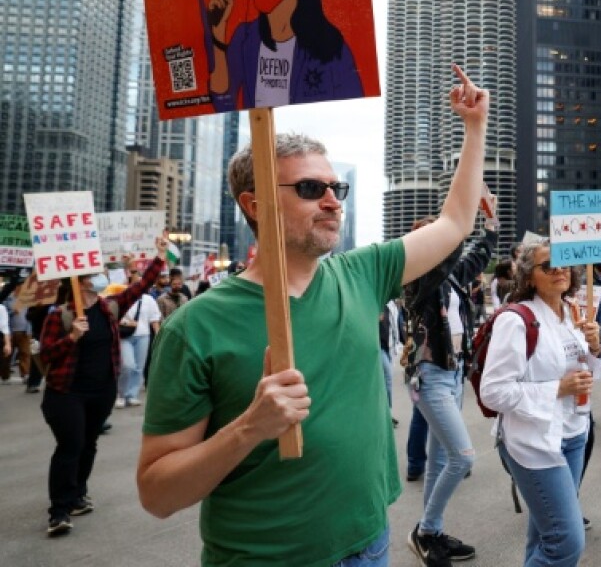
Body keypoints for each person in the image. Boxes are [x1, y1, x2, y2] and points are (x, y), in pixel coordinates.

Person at [136, 65, 488, 567]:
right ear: (254, 204)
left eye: (337, 188)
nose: (331, 201)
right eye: (308, 189)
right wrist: (249, 427)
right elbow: (156, 492)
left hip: (371, 541)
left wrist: (474, 129)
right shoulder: (195, 326)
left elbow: (455, 221)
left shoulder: (362, 273)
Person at [479, 241, 601, 567]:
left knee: (545, 535)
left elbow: (588, 375)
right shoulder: (517, 321)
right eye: (548, 266)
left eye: (564, 263)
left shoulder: (573, 314)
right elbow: (492, 392)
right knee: (565, 542)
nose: (560, 270)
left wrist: (595, 349)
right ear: (529, 277)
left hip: (575, 434)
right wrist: (556, 389)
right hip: (533, 443)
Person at [38, 237, 167, 536]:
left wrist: (159, 256)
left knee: (89, 443)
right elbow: (44, 355)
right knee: (70, 446)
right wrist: (71, 337)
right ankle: (59, 510)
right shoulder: (61, 315)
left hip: (102, 390)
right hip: (66, 392)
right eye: (95, 274)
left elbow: (140, 287)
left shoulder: (110, 308)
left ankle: (78, 494)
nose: (103, 277)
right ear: (81, 282)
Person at [403, 208, 499, 566]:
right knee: (462, 457)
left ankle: (432, 533)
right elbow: (455, 253)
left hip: (453, 372)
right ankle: (425, 530)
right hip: (429, 375)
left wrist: (491, 223)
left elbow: (478, 255)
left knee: (440, 458)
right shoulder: (418, 276)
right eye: (432, 238)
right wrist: (453, 230)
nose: (439, 245)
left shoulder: (451, 278)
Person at [207, 0, 363, 112]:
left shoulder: (331, 46)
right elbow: (223, 101)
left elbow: (352, 106)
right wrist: (219, 32)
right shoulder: (246, 37)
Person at [116, 276, 161, 409]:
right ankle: (121, 395)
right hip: (125, 336)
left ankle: (132, 395)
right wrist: (126, 322)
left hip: (143, 335)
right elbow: (113, 316)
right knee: (127, 366)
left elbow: (154, 319)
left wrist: (158, 335)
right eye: (135, 283)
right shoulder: (122, 298)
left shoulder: (149, 300)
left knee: (138, 368)